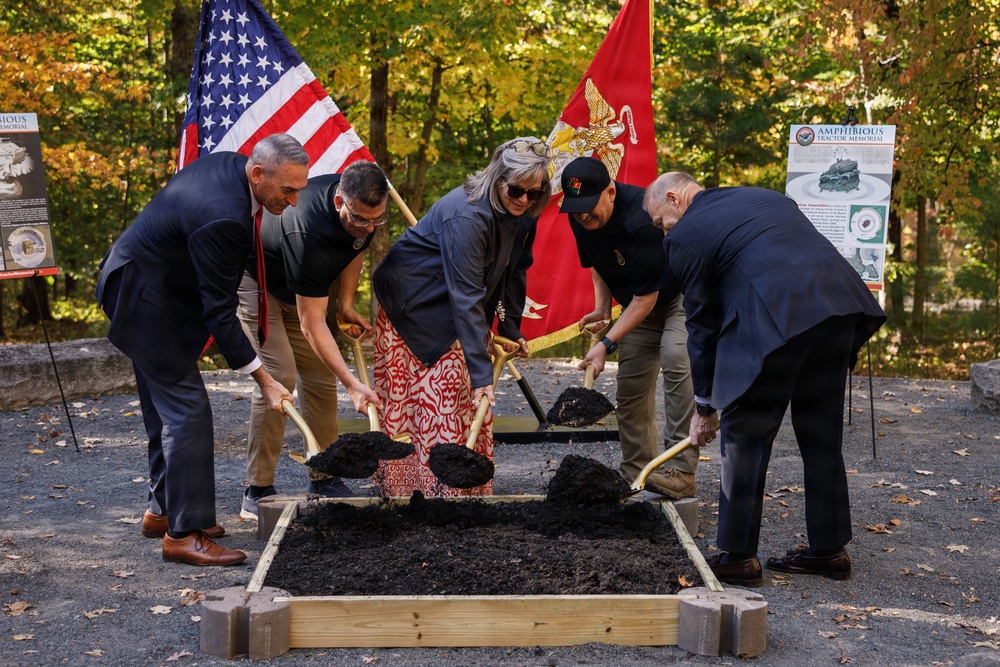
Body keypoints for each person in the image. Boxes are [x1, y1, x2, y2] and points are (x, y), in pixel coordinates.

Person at [643, 172, 886, 586]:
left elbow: (700, 326)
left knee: (745, 432)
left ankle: (737, 557)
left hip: (782, 316)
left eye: (658, 220)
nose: (660, 229)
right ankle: (829, 552)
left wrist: (705, 405)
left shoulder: (684, 236)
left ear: (673, 198)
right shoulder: (763, 197)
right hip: (841, 306)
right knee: (821, 435)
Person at [95, 134, 306, 566]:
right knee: (188, 409)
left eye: (299, 189)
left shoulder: (232, 168)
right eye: (288, 190)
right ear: (258, 173)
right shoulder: (225, 216)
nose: (295, 200)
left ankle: (163, 511)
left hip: (141, 283)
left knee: (164, 406)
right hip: (142, 297)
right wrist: (264, 379)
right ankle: (184, 534)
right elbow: (220, 312)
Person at [369, 137, 548, 497]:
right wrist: (483, 376)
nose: (525, 200)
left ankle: (465, 492)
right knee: (441, 395)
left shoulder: (524, 213)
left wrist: (511, 327)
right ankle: (422, 494)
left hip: (458, 304)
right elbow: (465, 295)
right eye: (517, 190)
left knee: (466, 396)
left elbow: (515, 272)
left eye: (534, 193)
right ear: (499, 179)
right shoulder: (469, 215)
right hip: (415, 307)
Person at [235, 161, 387, 519]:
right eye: (360, 218)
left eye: (376, 219)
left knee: (320, 378)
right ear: (338, 203)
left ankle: (325, 474)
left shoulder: (364, 207)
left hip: (304, 293)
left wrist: (347, 305)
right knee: (279, 379)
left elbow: (356, 247)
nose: (368, 226)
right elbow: (311, 322)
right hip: (262, 288)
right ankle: (257, 489)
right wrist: (352, 383)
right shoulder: (306, 230)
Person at [559, 157, 698, 499]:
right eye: (576, 210)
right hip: (636, 303)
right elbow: (598, 262)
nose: (583, 216)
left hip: (677, 296)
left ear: (610, 191)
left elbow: (646, 299)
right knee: (631, 386)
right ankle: (638, 474)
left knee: (677, 357)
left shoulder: (641, 219)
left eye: (589, 208)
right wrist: (602, 308)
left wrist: (606, 342)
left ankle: (680, 471)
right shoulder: (580, 215)